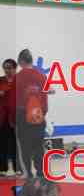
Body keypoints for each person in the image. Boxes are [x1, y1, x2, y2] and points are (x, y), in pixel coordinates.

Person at [13, 49, 48, 178]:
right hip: (39, 115)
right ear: (31, 61)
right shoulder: (42, 76)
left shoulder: (17, 78)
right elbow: (45, 100)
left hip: (22, 115)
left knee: (24, 146)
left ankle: (28, 173)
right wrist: (42, 113)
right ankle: (41, 173)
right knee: (38, 146)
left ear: (20, 61)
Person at [0, 58, 21, 176]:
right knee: (2, 143)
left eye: (9, 68)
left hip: (16, 117)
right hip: (2, 117)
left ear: (15, 68)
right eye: (5, 68)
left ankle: (17, 168)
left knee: (16, 144)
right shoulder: (0, 80)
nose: (7, 70)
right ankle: (2, 169)